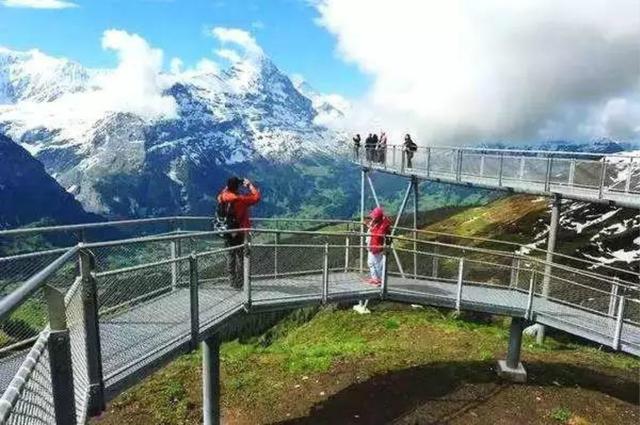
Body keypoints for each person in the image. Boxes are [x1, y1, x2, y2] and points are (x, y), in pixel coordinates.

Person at [217, 177, 261, 288]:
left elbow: (226, 190)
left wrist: (231, 185)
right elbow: (256, 198)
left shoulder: (222, 197)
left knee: (230, 256)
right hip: (240, 232)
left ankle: (232, 281)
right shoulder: (239, 200)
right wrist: (250, 185)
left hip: (227, 230)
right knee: (241, 257)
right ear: (236, 186)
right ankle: (241, 282)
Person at [364, 206, 391, 285]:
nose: (372, 218)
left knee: (376, 264)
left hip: (377, 246)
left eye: (374, 217)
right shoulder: (379, 223)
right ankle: (375, 278)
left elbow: (379, 234)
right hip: (374, 246)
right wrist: (371, 226)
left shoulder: (383, 224)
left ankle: (377, 280)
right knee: (372, 263)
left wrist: (371, 228)